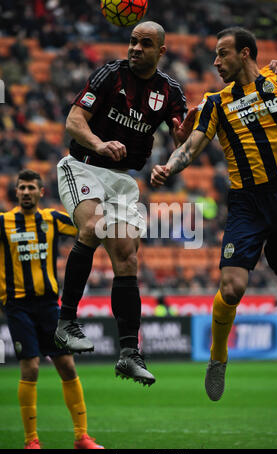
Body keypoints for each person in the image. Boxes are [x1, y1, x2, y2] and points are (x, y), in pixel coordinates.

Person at [151, 27, 277, 400]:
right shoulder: (216, 102)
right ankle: (218, 357)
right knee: (232, 287)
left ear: (246, 53)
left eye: (223, 54)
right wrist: (169, 167)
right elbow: (193, 146)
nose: (215, 62)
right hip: (246, 202)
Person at [54, 21, 197, 386]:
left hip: (122, 180)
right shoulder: (109, 75)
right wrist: (99, 144)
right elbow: (74, 121)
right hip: (84, 165)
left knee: (127, 257)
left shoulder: (169, 91)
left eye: (144, 44)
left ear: (161, 51)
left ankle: (129, 352)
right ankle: (66, 322)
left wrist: (181, 136)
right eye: (132, 41)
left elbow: (180, 134)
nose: (134, 48)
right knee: (91, 226)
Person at [1, 169, 103, 449]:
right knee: (30, 367)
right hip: (18, 306)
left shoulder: (52, 219)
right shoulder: (3, 222)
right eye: (21, 187)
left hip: (48, 305)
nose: (25, 192)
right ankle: (31, 440)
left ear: (41, 192)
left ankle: (82, 436)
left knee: (67, 365)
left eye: (31, 188)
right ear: (16, 191)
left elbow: (88, 228)